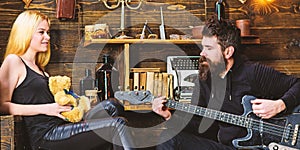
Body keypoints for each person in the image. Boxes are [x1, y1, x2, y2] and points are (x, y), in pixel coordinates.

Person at [152, 16, 300, 150]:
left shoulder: (252, 72)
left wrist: (280, 105)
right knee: (168, 137)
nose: (202, 53)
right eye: (203, 47)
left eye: (209, 48)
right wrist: (170, 116)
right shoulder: (203, 79)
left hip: (263, 146)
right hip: (228, 146)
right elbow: (200, 127)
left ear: (228, 52)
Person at [0, 10, 135, 150]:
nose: (47, 37)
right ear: (25, 33)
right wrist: (46, 109)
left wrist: (77, 105)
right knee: (118, 124)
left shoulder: (41, 70)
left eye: (48, 32)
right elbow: (2, 105)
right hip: (47, 135)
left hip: (62, 124)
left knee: (112, 105)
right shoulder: (14, 61)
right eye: (41, 32)